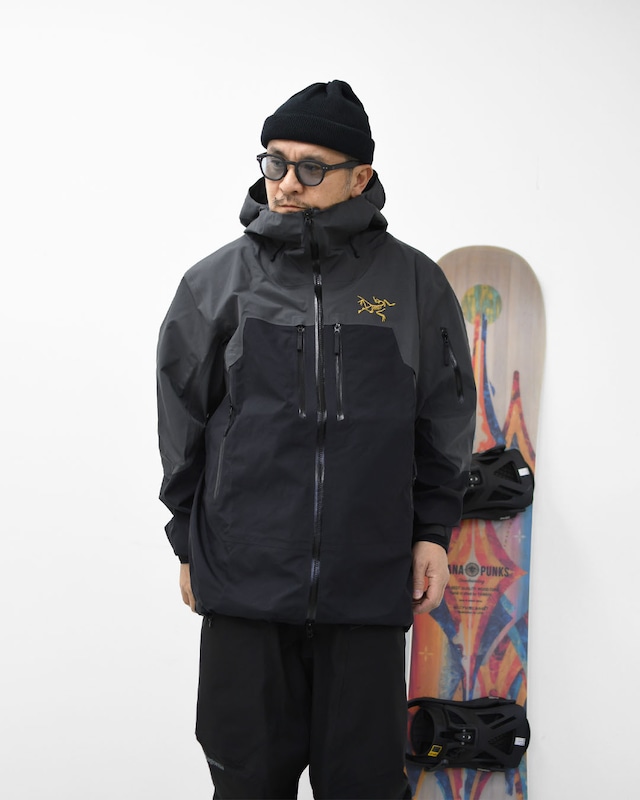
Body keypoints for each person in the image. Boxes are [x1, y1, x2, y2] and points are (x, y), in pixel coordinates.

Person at [157, 80, 476, 800]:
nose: (286, 183)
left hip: (366, 584)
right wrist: (186, 539)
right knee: (245, 782)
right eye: (275, 162)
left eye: (310, 167)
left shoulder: (413, 284)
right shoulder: (217, 283)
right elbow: (182, 423)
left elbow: (444, 415)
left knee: (364, 786)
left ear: (360, 177)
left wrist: (433, 530)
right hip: (245, 581)